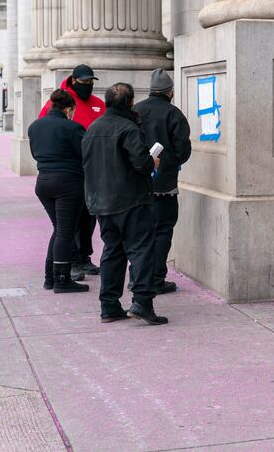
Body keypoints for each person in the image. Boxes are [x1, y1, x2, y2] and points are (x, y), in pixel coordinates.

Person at [82, 83, 167, 325]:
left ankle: (109, 306)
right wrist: (153, 162)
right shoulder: (128, 128)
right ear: (129, 103)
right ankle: (142, 301)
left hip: (101, 201)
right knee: (141, 250)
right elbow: (141, 163)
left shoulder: (93, 128)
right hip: (130, 200)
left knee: (112, 251)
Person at [39, 64, 105, 281]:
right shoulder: (59, 103)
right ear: (74, 80)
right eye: (83, 82)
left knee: (88, 217)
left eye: (90, 83)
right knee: (69, 222)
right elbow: (44, 132)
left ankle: (83, 257)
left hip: (91, 172)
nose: (87, 86)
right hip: (69, 173)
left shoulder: (98, 104)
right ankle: (70, 263)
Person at [133, 68, 192, 294]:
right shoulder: (173, 113)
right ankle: (156, 278)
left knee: (139, 234)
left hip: (138, 184)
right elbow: (183, 150)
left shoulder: (136, 111)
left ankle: (137, 277)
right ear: (170, 92)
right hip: (165, 185)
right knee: (163, 230)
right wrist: (172, 161)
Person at [28, 89, 89, 293]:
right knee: (65, 231)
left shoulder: (34, 127)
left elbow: (35, 153)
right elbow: (85, 155)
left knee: (60, 230)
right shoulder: (72, 127)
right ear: (68, 109)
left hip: (43, 182)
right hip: (68, 183)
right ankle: (61, 279)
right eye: (73, 111)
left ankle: (50, 277)